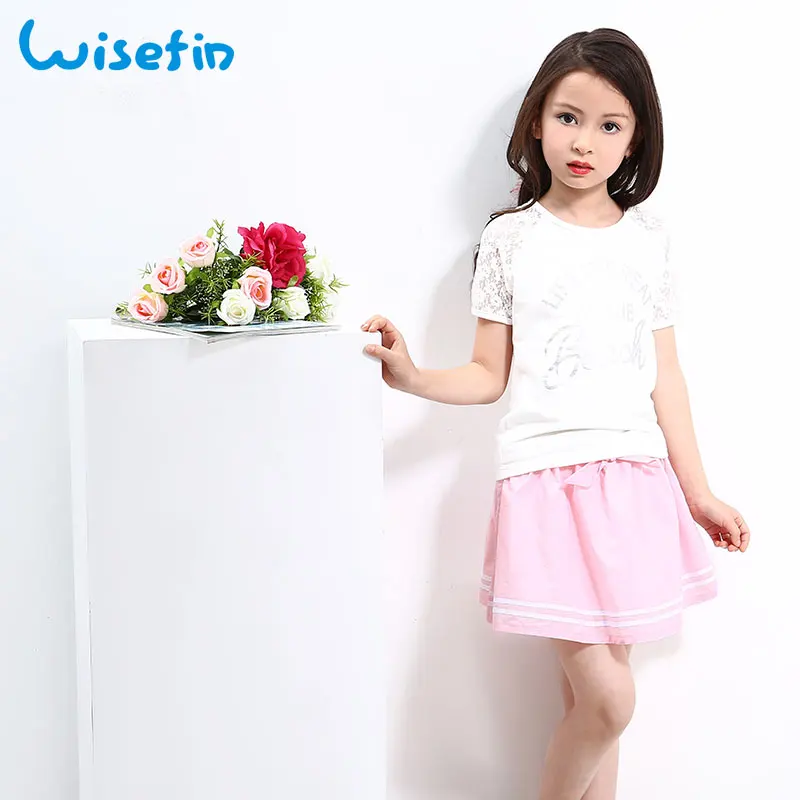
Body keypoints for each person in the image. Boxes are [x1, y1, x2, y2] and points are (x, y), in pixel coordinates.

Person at [362, 27, 751, 800]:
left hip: (636, 483)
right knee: (609, 701)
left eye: (610, 125)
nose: (584, 142)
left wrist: (699, 491)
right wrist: (410, 377)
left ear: (636, 138)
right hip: (545, 483)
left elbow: (666, 377)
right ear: (537, 120)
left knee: (594, 708)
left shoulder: (648, 242)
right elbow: (487, 375)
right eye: (569, 117)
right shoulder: (510, 241)